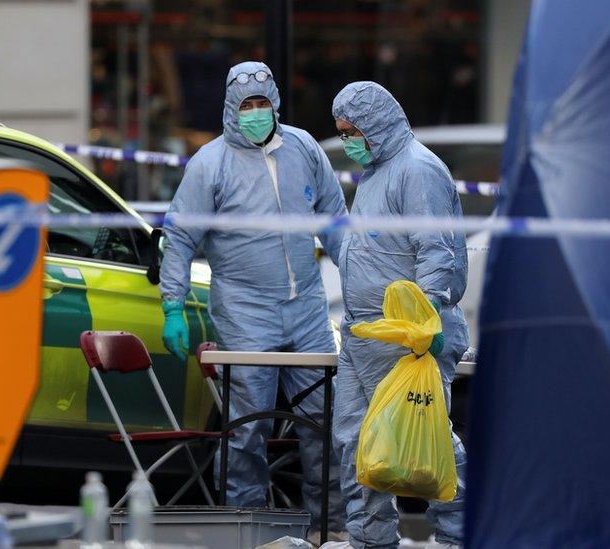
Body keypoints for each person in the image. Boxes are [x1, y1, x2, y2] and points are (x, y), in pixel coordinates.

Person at [159, 61, 347, 539]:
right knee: (248, 429)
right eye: (247, 105)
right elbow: (179, 237)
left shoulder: (303, 148)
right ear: (230, 107)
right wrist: (173, 306)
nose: (256, 113)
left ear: (276, 103)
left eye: (263, 103)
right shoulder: (211, 163)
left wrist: (362, 282)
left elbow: (335, 220)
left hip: (306, 307)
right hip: (245, 313)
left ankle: (330, 528)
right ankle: (249, 529)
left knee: (322, 423)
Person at [326, 82, 469, 549]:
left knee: (428, 443)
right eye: (341, 132)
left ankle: (460, 533)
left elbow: (436, 252)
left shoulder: (418, 169)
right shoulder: (376, 171)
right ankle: (371, 539)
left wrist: (423, 323)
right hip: (365, 334)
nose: (348, 140)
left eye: (352, 131)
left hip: (407, 337)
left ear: (375, 124)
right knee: (357, 442)